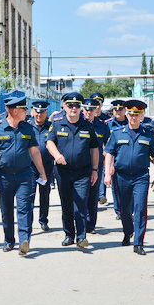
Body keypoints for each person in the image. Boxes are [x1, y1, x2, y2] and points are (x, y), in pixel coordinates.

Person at [0, 96, 47, 256]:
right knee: (6, 209)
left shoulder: (28, 128)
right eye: (25, 109)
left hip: (25, 174)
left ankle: (24, 239)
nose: (27, 112)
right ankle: (9, 240)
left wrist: (42, 171)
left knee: (25, 207)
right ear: (16, 110)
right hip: (4, 175)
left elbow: (34, 151)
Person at [104, 99, 154, 256]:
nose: (133, 117)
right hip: (121, 176)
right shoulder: (116, 134)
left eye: (137, 114)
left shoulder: (148, 135)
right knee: (124, 210)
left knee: (140, 208)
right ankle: (128, 232)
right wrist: (107, 173)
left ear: (142, 115)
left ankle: (138, 242)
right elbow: (109, 153)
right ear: (127, 115)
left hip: (140, 176)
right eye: (130, 114)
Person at [47, 92, 100, 249]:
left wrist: (95, 170)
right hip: (63, 172)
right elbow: (49, 142)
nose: (74, 109)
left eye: (77, 106)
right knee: (66, 204)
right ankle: (69, 234)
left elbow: (94, 149)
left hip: (82, 173)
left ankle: (81, 236)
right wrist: (57, 155)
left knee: (81, 203)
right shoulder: (56, 124)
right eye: (70, 105)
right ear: (64, 106)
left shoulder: (87, 126)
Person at [82, 98, 110, 234]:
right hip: (80, 165)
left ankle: (90, 225)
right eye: (86, 109)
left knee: (93, 196)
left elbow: (109, 144)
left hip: (96, 164)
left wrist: (107, 158)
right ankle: (81, 223)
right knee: (81, 195)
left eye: (91, 109)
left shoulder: (102, 125)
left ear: (96, 110)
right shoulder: (78, 123)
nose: (88, 112)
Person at [27, 100, 54, 231]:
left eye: (42, 112)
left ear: (46, 113)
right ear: (33, 112)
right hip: (30, 167)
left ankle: (43, 220)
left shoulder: (52, 127)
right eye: (37, 112)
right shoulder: (26, 126)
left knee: (44, 194)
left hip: (47, 166)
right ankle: (28, 222)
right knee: (29, 195)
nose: (39, 115)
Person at [102, 99, 128, 219]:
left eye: (120, 109)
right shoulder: (107, 124)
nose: (118, 112)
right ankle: (119, 211)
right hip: (114, 159)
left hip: (127, 158)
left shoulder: (131, 122)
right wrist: (109, 163)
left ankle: (128, 210)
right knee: (116, 187)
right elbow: (104, 144)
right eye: (115, 110)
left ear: (125, 110)